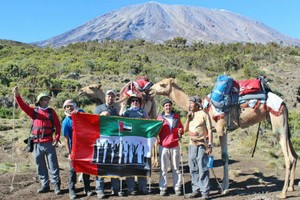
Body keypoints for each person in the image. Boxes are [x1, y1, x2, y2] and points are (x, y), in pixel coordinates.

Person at [13, 86, 61, 195]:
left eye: (48, 99)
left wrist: (57, 138)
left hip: (49, 142)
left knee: (53, 165)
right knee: (40, 165)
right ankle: (45, 185)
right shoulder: (34, 111)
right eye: (45, 99)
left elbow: (58, 125)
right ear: (39, 101)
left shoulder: (51, 112)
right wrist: (17, 95)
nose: (47, 101)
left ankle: (56, 186)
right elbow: (23, 106)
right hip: (37, 143)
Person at [61, 99, 92, 199]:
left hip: (84, 146)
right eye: (67, 107)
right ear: (64, 109)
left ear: (74, 106)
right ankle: (72, 190)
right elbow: (66, 139)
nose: (69, 108)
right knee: (72, 170)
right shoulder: (66, 122)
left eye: (71, 106)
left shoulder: (81, 113)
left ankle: (87, 188)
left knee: (86, 168)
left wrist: (78, 114)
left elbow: (86, 117)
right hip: (74, 148)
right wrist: (69, 153)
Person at [184, 96, 213, 200]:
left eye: (191, 103)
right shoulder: (190, 115)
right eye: (189, 103)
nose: (190, 105)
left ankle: (205, 192)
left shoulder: (204, 114)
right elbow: (185, 129)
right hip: (192, 144)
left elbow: (210, 130)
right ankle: (195, 190)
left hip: (202, 144)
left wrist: (210, 144)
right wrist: (187, 118)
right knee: (193, 168)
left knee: (203, 168)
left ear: (197, 104)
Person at [94, 89, 121, 198]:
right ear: (105, 97)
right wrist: (101, 115)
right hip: (101, 141)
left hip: (113, 141)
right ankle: (100, 190)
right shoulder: (98, 108)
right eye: (109, 96)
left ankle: (116, 189)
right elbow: (93, 122)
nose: (110, 98)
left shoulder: (116, 110)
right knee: (101, 166)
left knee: (114, 165)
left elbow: (118, 124)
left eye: (112, 96)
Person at [121, 93, 149, 195]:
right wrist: (123, 107)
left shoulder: (143, 112)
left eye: (137, 101)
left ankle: (143, 187)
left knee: (142, 165)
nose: (135, 102)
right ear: (130, 103)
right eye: (133, 101)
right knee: (130, 165)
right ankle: (131, 188)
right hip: (129, 142)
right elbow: (120, 121)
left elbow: (148, 124)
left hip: (141, 142)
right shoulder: (126, 112)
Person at [157, 99, 184, 196]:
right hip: (163, 146)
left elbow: (181, 128)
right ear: (163, 107)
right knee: (163, 168)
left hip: (175, 145)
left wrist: (181, 131)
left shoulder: (176, 116)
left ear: (171, 106)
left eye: (169, 105)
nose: (168, 107)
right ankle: (163, 188)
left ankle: (177, 187)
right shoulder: (160, 118)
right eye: (166, 106)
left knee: (176, 168)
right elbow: (156, 131)